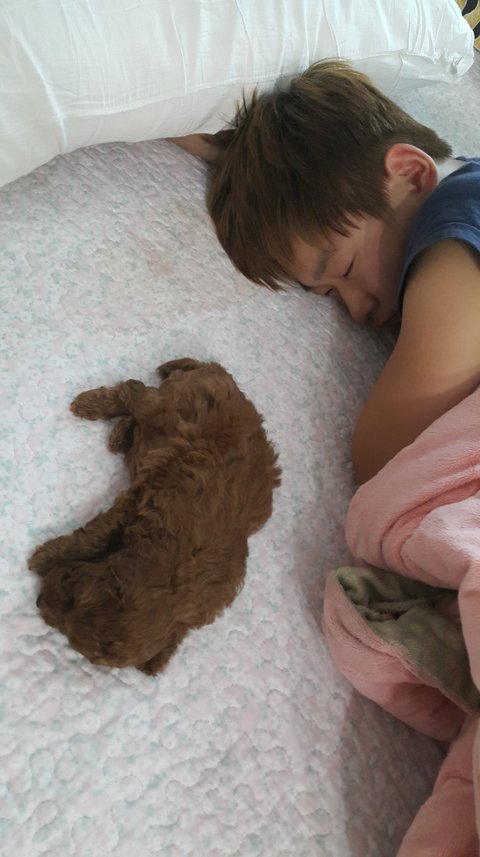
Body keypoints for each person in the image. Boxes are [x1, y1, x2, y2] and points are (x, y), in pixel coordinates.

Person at [198, 60, 480, 484]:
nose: (355, 309)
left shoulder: (459, 221)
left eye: (346, 268)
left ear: (410, 173)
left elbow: (385, 455)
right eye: (329, 293)